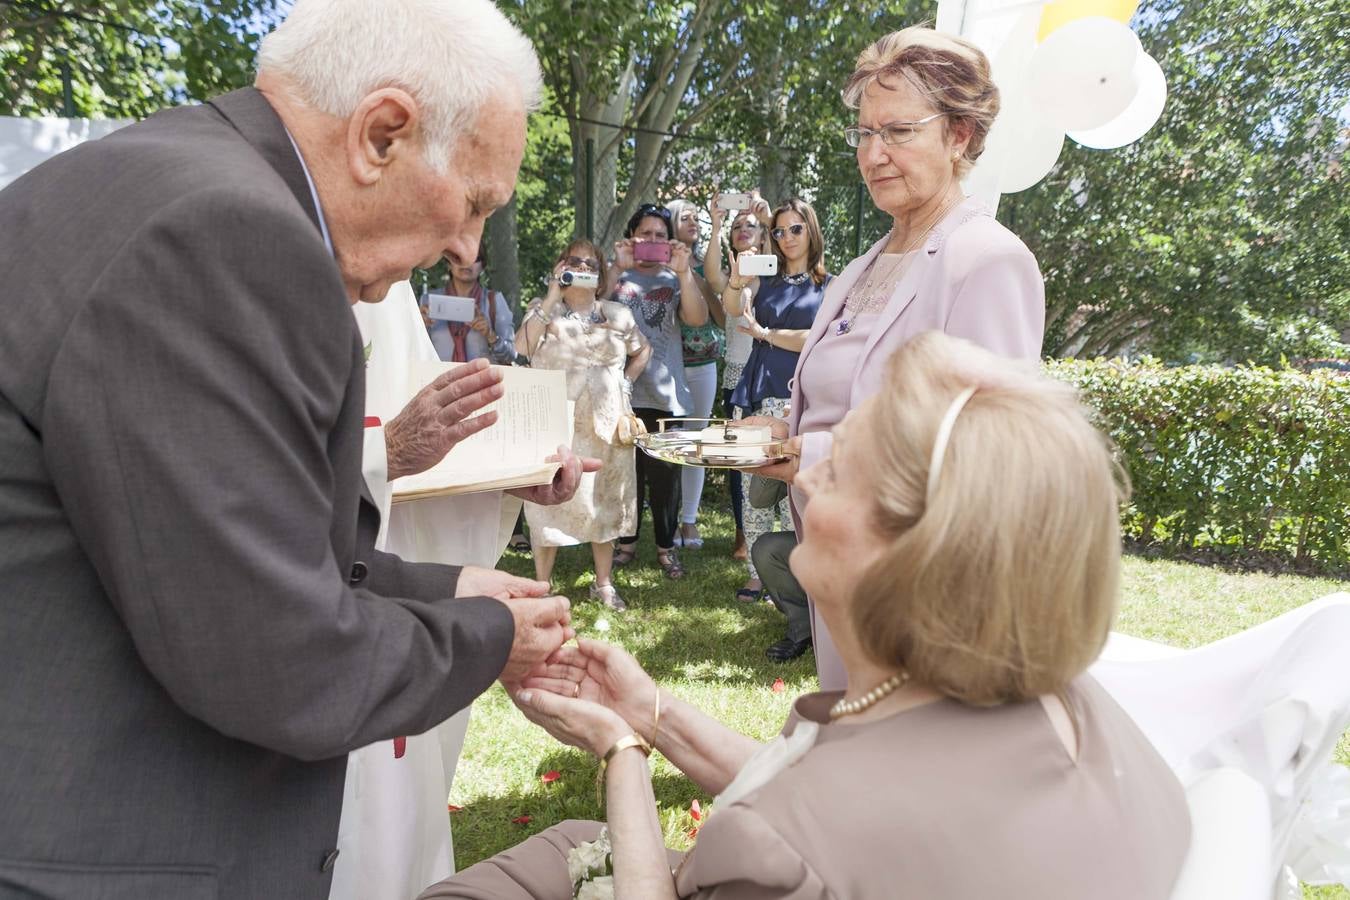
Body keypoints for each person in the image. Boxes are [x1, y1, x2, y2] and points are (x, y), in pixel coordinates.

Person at [0, 1, 579, 897]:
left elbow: (215, 543)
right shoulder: (234, 238)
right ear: (381, 133)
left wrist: (446, 586)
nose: (466, 249)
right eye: (473, 203)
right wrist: (489, 633)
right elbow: (276, 660)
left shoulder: (166, 177)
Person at [420, 332, 1191, 900]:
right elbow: (838, 799)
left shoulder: (776, 849)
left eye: (839, 467)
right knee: (571, 847)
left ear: (913, 555)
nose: (809, 480)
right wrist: (652, 713)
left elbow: (806, 833)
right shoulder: (1078, 710)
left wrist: (621, 753)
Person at [748, 26, 1046, 684]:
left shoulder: (988, 261)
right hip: (843, 577)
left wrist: (808, 457)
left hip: (927, 598)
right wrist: (782, 435)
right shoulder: (860, 268)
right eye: (864, 133)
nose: (873, 154)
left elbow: (989, 455)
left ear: (959, 136)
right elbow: (840, 406)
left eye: (899, 132)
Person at [516, 240, 652, 611]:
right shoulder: (545, 311)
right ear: (561, 266)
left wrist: (625, 383)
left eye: (590, 263)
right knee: (547, 502)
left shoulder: (618, 313)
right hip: (557, 421)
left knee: (604, 500)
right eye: (574, 261)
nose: (583, 266)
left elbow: (643, 350)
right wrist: (549, 295)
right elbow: (523, 348)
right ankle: (541, 586)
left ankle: (604, 584)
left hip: (607, 422)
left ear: (601, 274)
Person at [724, 198, 830, 603]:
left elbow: (818, 337)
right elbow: (733, 310)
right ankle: (757, 574)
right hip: (756, 389)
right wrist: (736, 281)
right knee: (755, 493)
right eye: (780, 231)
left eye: (796, 229)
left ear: (811, 231)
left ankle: (796, 578)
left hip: (797, 396)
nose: (787, 238)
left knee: (793, 493)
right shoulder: (763, 276)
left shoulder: (830, 284)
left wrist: (766, 334)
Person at [609, 204, 709, 579]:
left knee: (666, 480)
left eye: (659, 236)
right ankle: (626, 544)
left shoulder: (674, 277)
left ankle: (667, 549)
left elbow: (697, 319)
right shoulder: (615, 274)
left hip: (668, 397)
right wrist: (616, 269)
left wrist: (684, 274)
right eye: (644, 234)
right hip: (622, 394)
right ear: (631, 236)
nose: (651, 241)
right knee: (626, 477)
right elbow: (592, 312)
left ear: (669, 242)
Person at [703, 196, 771, 560]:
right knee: (738, 458)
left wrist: (768, 215)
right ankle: (742, 534)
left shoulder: (776, 272)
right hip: (737, 379)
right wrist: (715, 225)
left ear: (763, 235)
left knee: (772, 455)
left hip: (773, 376)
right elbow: (712, 275)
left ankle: (775, 531)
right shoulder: (733, 275)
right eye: (737, 226)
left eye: (751, 225)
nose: (743, 230)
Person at [665, 198, 725, 551]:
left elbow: (720, 318)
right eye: (684, 218)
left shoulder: (707, 266)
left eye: (695, 218)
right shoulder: (655, 267)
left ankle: (688, 521)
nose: (693, 222)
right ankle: (668, 522)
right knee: (670, 445)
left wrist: (695, 277)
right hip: (665, 369)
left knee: (696, 444)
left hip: (702, 365)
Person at [424, 243, 517, 364]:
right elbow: (413, 351)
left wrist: (490, 335)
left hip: (482, 381)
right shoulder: (428, 301)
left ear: (482, 267)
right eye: (458, 257)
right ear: (448, 264)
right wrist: (419, 327)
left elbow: (510, 355)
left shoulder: (494, 300)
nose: (466, 263)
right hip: (440, 380)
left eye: (474, 258)